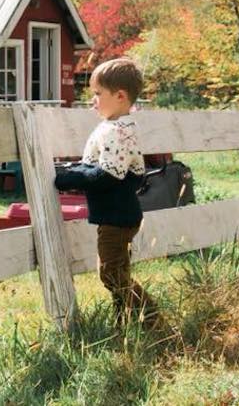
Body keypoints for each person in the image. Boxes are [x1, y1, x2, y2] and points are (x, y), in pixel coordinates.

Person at [54, 56, 159, 331]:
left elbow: (108, 175)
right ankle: (124, 325)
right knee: (118, 273)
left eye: (98, 94)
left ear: (120, 96)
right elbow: (117, 170)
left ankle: (151, 318)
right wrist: (78, 169)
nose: (93, 100)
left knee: (110, 274)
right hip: (117, 215)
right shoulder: (117, 127)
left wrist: (65, 178)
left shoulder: (117, 131)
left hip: (117, 219)